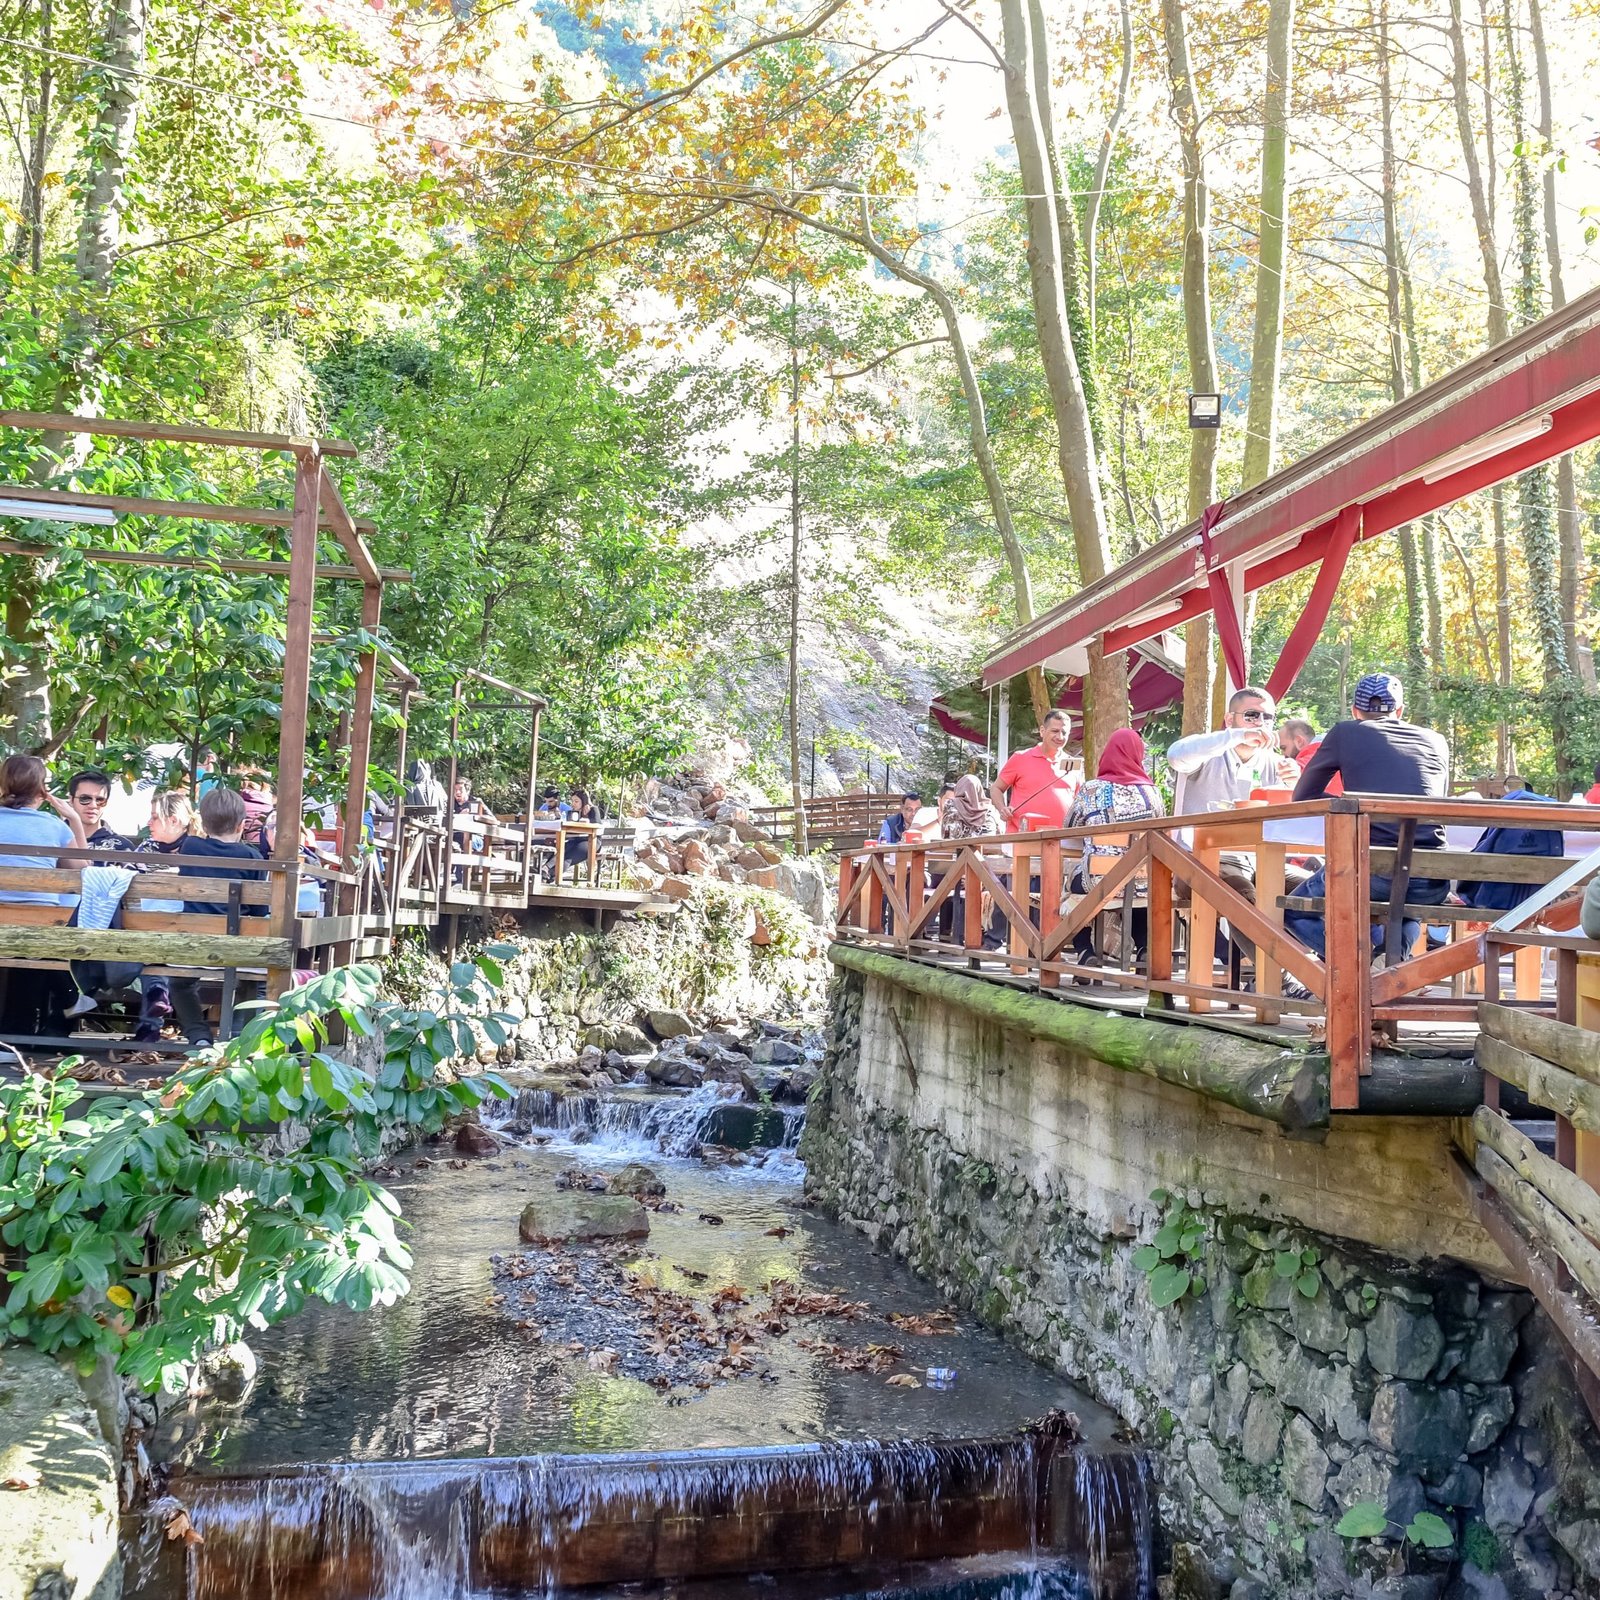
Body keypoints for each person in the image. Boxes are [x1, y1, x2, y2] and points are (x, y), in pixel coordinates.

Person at [1284, 672, 1451, 980]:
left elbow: (1303, 796)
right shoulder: (1436, 741)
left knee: (1293, 909)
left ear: (1355, 712)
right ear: (1400, 711)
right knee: (1405, 906)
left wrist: (1352, 804)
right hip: (1433, 881)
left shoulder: (1346, 733)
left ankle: (1360, 972)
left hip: (1373, 873)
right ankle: (1387, 966)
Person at [1166, 687, 1298, 979]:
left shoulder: (1276, 765)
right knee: (1243, 892)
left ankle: (1333, 977)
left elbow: (1291, 824)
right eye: (1251, 715)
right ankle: (1283, 978)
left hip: (1261, 861)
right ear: (1229, 719)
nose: (1260, 723)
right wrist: (1236, 737)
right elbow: (1176, 755)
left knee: (1319, 886)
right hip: (1197, 861)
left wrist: (1296, 788)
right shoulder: (1208, 752)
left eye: (1267, 717)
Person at [168, 787, 267, 1047]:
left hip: (194, 946)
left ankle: (198, 1035)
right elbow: (259, 914)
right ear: (242, 824)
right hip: (238, 947)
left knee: (179, 982)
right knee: (255, 980)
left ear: (203, 821)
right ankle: (238, 1037)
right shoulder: (253, 858)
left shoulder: (190, 847)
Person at [0, 755, 88, 1037]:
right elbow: (83, 872)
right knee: (35, 948)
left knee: (29, 946)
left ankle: (70, 999)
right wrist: (73, 819)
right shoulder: (54, 826)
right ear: (42, 790)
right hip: (40, 925)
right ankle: (20, 1034)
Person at [1065, 730, 1165, 968]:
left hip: (1098, 880)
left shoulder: (1092, 789)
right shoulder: (1152, 793)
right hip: (1144, 880)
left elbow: (1069, 826)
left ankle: (1084, 951)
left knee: (1070, 884)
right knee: (1136, 885)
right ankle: (1144, 948)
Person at [991, 709, 1079, 831]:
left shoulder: (1074, 765)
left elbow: (1080, 802)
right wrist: (1002, 809)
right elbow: (996, 788)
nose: (1060, 737)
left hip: (1061, 840)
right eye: (1055, 731)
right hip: (1023, 839)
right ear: (1042, 731)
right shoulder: (1020, 757)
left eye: (1064, 733)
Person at [68, 767, 134, 851]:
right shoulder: (53, 838)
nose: (93, 805)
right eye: (85, 799)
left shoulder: (122, 847)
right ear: (71, 800)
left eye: (100, 800)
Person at [1279, 719, 1342, 796]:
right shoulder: (1335, 752)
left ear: (1299, 741)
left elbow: (1299, 768)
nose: (1283, 754)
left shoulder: (1314, 756)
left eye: (1284, 748)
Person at [563, 787, 603, 877]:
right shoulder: (573, 813)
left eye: (576, 801)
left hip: (592, 840)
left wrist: (587, 821)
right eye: (572, 801)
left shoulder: (593, 809)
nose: (573, 804)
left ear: (583, 801)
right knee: (560, 851)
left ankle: (549, 875)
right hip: (576, 839)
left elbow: (599, 826)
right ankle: (544, 871)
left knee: (569, 857)